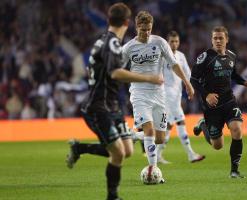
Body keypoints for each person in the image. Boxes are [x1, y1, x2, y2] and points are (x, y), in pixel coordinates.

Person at [66, 3, 163, 200]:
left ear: (109, 20)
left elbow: (96, 69)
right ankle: (113, 196)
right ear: (128, 23)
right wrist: (148, 78)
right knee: (118, 153)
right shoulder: (112, 43)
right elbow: (115, 72)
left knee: (127, 150)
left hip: (112, 105)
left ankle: (80, 147)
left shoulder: (101, 42)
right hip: (99, 106)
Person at [122, 11, 194, 180]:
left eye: (149, 29)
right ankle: (152, 169)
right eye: (143, 29)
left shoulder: (160, 42)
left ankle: (133, 135)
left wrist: (187, 83)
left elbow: (174, 64)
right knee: (148, 130)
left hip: (159, 95)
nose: (146, 33)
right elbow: (117, 69)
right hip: (139, 94)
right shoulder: (128, 47)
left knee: (160, 139)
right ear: (137, 26)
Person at [190, 26, 247, 178]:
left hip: (229, 100)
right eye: (215, 38)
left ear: (227, 39)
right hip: (212, 106)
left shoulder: (232, 55)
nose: (218, 41)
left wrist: (243, 82)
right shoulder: (205, 57)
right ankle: (203, 125)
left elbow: (233, 74)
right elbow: (193, 80)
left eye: (221, 38)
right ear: (212, 40)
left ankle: (234, 171)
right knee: (217, 145)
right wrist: (206, 95)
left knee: (237, 129)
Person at [157, 30, 205, 164]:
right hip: (166, 94)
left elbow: (188, 74)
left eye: (176, 41)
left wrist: (192, 85)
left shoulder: (181, 56)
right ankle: (191, 154)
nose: (174, 44)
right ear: (167, 42)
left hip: (176, 95)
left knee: (168, 126)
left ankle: (157, 155)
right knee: (180, 121)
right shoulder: (162, 56)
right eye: (171, 41)